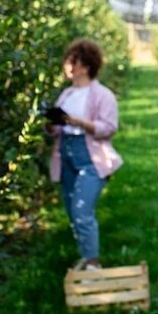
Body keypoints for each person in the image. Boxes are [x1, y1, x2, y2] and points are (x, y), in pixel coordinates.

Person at [47, 38, 123, 271]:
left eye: (73, 61)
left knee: (82, 210)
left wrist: (78, 122)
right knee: (72, 211)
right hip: (66, 155)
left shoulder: (103, 95)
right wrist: (52, 124)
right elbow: (57, 130)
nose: (68, 65)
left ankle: (93, 263)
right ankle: (86, 254)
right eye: (68, 60)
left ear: (86, 66)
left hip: (91, 157)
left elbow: (109, 128)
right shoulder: (66, 95)